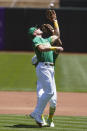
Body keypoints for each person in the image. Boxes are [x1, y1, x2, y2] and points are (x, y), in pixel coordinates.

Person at [28, 9, 63, 127]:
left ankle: (37, 114)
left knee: (51, 93)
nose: (39, 28)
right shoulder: (36, 40)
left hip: (50, 69)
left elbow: (57, 35)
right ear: (34, 33)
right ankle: (36, 113)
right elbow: (42, 49)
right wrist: (54, 49)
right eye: (36, 29)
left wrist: (55, 20)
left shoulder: (46, 39)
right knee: (49, 92)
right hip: (43, 67)